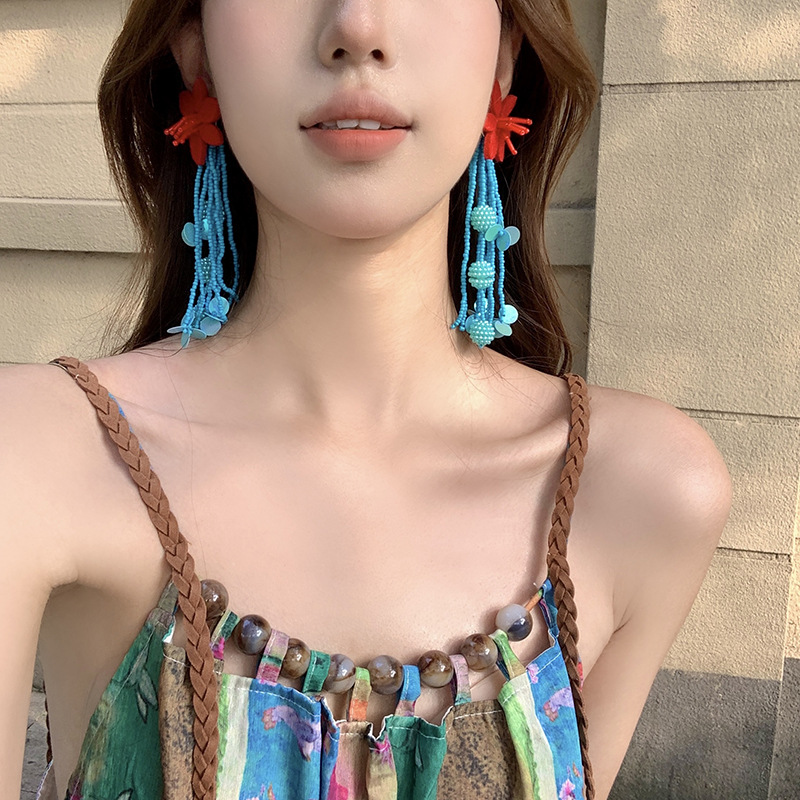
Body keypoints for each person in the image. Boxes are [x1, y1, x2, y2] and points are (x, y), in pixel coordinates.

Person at [3, 1, 733, 799]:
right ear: (194, 49)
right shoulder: (38, 453)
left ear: (506, 52)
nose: (357, 28)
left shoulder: (643, 491)